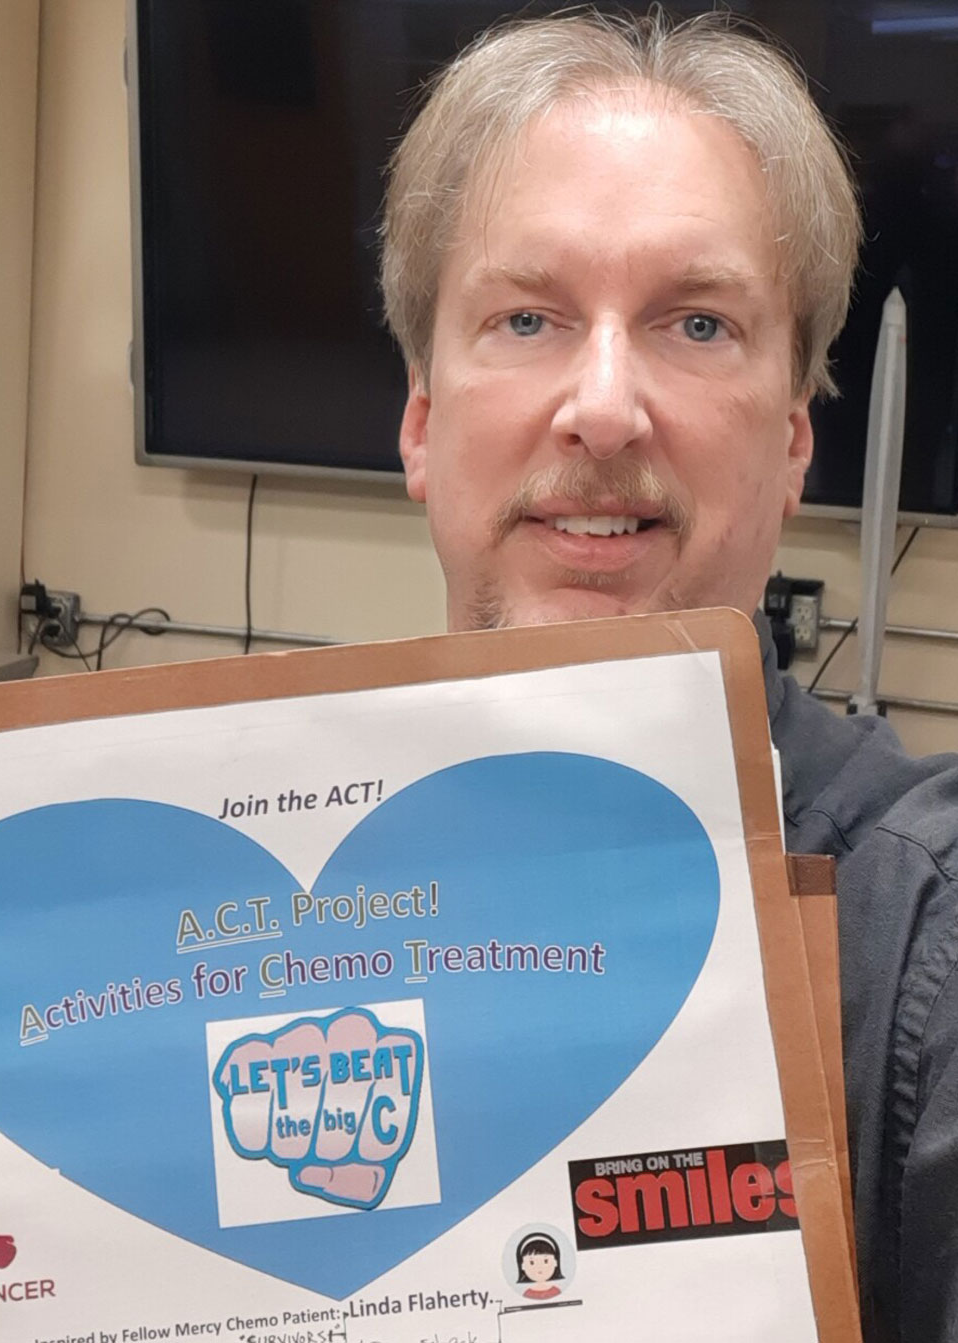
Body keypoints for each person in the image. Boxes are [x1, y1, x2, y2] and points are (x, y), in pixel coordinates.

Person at [379, 10, 958, 1343]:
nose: (601, 405)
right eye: (526, 316)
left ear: (797, 441)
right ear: (422, 422)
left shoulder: (921, 924)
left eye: (697, 323)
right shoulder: (160, 908)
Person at [515, 1230, 564, 1300]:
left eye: (545, 1261)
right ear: (522, 1266)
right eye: (532, 1263)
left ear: (555, 1263)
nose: (539, 1267)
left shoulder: (557, 1291)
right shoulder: (527, 1294)